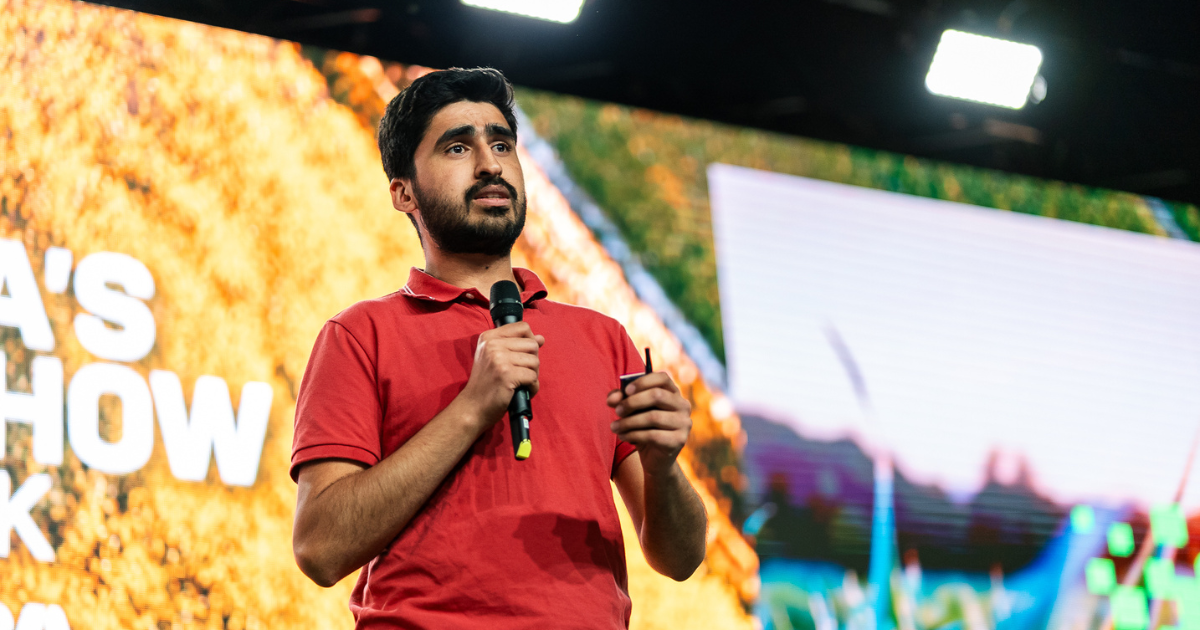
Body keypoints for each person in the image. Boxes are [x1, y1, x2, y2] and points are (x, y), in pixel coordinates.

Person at [290, 67, 707, 629]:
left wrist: (662, 469)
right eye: (458, 146)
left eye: (502, 143)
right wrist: (471, 407)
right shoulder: (361, 334)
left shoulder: (602, 339)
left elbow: (680, 559)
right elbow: (320, 548)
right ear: (402, 191)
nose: (489, 164)